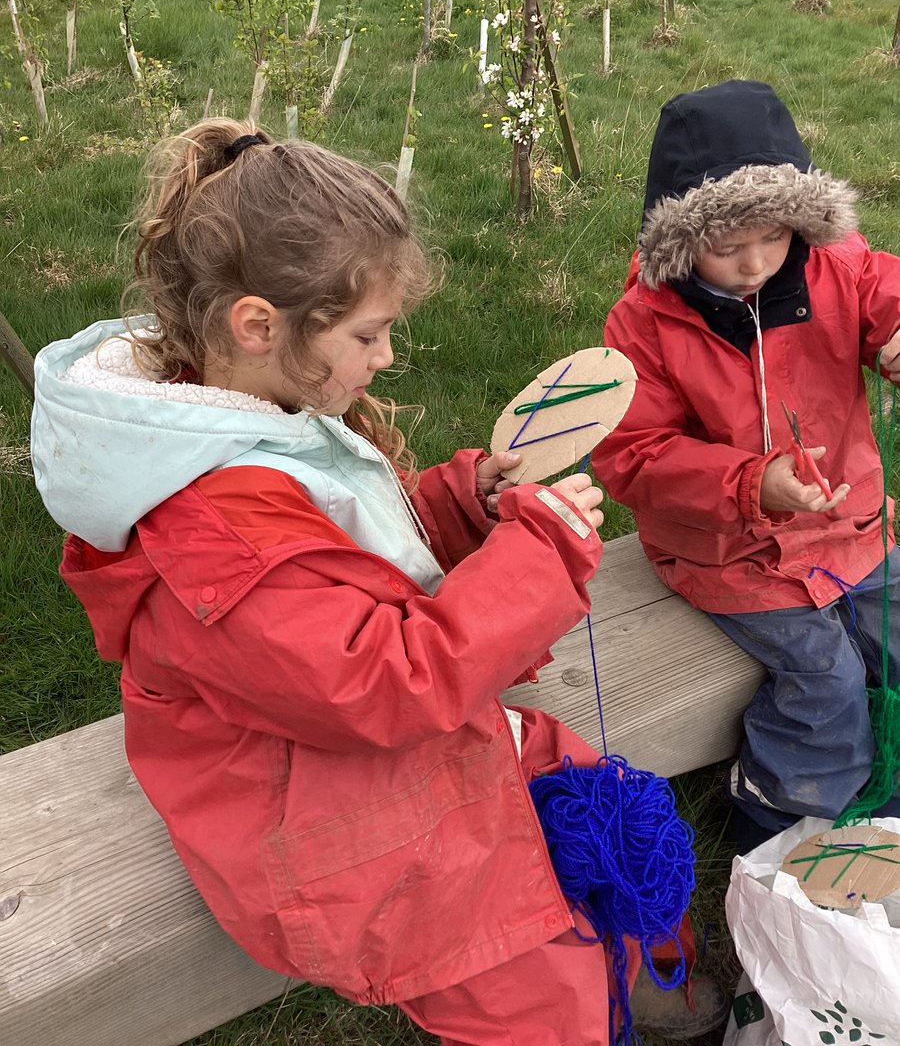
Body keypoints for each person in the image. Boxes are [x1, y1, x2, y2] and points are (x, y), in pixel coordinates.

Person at [31, 120, 727, 1043]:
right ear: (258, 324)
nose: (388, 358)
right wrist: (540, 554)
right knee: (530, 981)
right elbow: (385, 680)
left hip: (343, 741)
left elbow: (339, 554)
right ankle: (583, 1005)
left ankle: (634, 960)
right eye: (371, 333)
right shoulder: (211, 539)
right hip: (330, 831)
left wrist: (461, 503)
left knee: (596, 798)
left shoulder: (240, 414)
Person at [592, 80, 900, 851]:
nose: (757, 263)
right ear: (680, 238)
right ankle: (775, 819)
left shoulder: (837, 268)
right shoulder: (643, 325)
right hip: (732, 551)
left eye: (775, 237)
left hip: (850, 524)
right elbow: (631, 456)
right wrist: (749, 483)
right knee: (823, 680)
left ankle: (882, 781)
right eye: (728, 248)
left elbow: (885, 291)